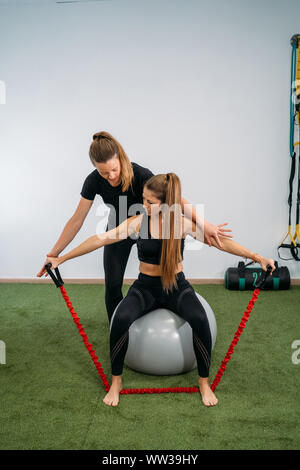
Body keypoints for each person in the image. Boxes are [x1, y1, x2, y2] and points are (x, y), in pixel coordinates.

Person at [44, 173, 276, 408]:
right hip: (145, 287)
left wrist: (256, 257)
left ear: (166, 203)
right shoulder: (138, 222)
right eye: (143, 200)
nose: (143, 206)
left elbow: (221, 243)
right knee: (121, 318)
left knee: (199, 318)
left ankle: (203, 383)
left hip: (177, 286)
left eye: (149, 202)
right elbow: (100, 239)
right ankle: (116, 382)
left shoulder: (182, 224)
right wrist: (61, 259)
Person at [37, 131, 233, 322]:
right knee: (112, 286)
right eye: (104, 173)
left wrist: (205, 224)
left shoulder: (140, 174)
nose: (111, 176)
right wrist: (55, 254)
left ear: (121, 158)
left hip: (147, 228)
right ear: (95, 168)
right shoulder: (93, 181)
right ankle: (116, 330)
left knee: (163, 277)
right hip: (118, 229)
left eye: (114, 169)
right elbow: (76, 220)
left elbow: (174, 198)